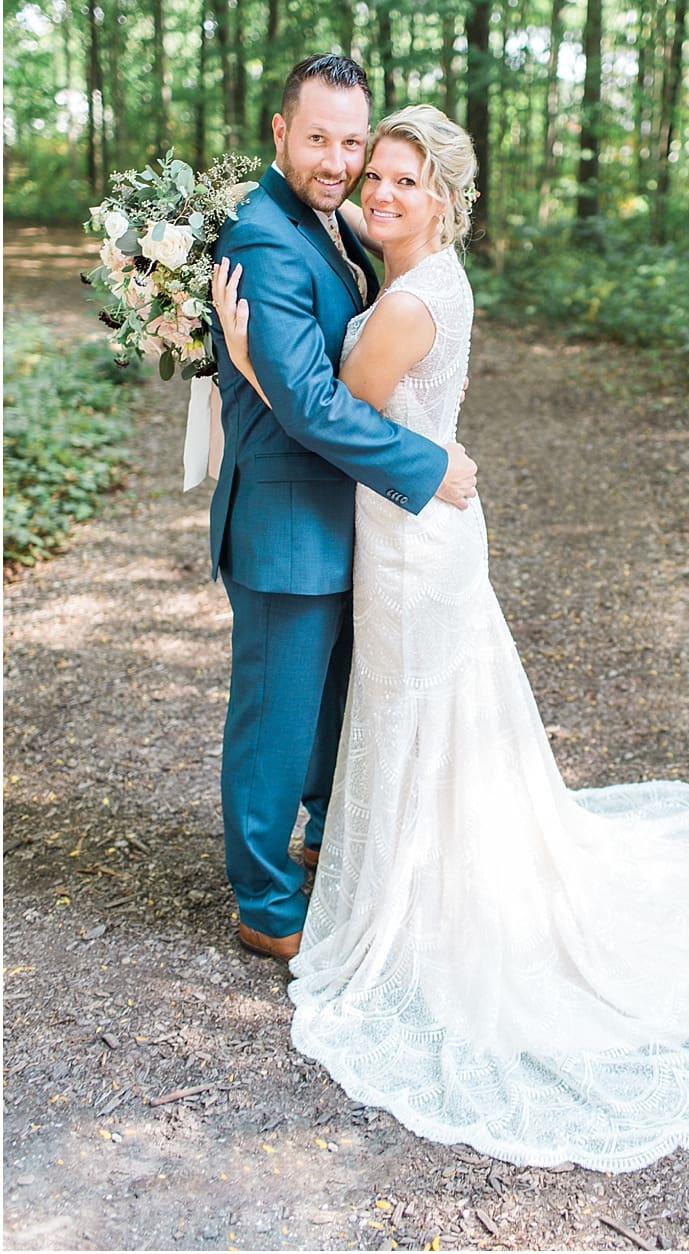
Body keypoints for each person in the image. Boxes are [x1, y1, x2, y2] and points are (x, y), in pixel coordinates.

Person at [212, 88, 689, 1170]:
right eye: (365, 167)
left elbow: (322, 401)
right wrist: (259, 334)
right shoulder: (376, 258)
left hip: (412, 528)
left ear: (445, 201)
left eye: (397, 173)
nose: (373, 183)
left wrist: (251, 355)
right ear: (290, 140)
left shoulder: (411, 295)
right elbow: (329, 391)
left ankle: (402, 879)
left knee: (412, 704)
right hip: (408, 522)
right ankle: (356, 865)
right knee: (405, 705)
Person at [209, 53, 479, 962]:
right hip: (288, 519)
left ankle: (330, 838)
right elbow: (316, 402)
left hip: (352, 518)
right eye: (317, 138)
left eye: (350, 143)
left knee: (336, 706)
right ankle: (267, 903)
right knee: (274, 720)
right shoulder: (263, 237)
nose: (336, 159)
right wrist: (427, 465)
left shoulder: (331, 220)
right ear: (280, 132)